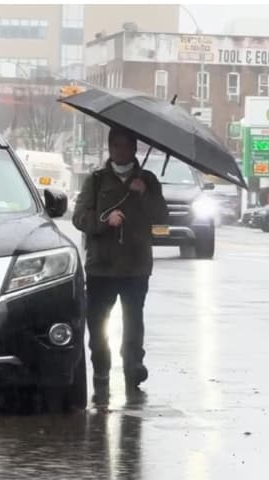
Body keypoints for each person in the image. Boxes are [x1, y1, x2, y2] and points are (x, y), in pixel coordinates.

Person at [72, 128, 167, 397]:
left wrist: (144, 194)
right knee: (97, 322)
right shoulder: (97, 180)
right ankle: (100, 364)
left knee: (133, 321)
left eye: (125, 146)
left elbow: (161, 217)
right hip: (101, 266)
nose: (120, 151)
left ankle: (133, 364)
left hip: (136, 266)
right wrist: (105, 221)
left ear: (134, 149)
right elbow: (79, 217)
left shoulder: (147, 180)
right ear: (110, 147)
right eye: (115, 146)